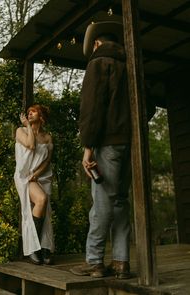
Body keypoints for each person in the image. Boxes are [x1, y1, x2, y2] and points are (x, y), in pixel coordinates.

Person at [70, 21, 132, 279]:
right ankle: (121, 263)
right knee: (119, 202)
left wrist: (88, 148)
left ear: (96, 43)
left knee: (101, 203)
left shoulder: (98, 64)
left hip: (105, 143)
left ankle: (94, 262)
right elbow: (147, 106)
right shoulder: (131, 66)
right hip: (128, 145)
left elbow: (92, 110)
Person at [14, 104, 54, 265]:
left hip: (41, 176)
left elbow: (47, 160)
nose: (29, 114)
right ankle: (34, 248)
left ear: (41, 116)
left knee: (45, 211)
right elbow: (30, 145)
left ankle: (44, 248)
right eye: (28, 112)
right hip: (24, 176)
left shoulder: (47, 137)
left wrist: (37, 174)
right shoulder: (21, 131)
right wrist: (28, 126)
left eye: (33, 112)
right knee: (41, 200)